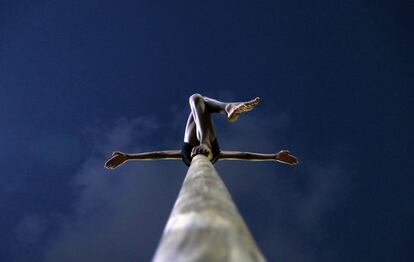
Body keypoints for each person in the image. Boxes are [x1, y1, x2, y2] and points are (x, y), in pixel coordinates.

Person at [105, 94, 298, 169]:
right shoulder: (217, 155)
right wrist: (273, 157)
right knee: (197, 99)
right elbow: (245, 155)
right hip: (209, 145)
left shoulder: (186, 155)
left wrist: (129, 157)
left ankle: (226, 108)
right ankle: (227, 107)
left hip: (191, 148)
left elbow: (158, 154)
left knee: (196, 100)